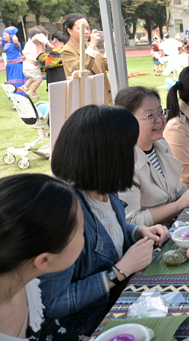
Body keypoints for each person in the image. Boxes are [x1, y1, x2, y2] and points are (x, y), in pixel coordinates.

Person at [39, 105, 171, 336]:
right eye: (130, 147)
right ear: (108, 156)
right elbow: (53, 303)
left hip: (122, 300)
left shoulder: (105, 191)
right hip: (89, 325)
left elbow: (109, 230)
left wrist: (138, 231)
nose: (135, 153)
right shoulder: (64, 215)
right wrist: (118, 271)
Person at [0, 174, 84, 340]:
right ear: (43, 260)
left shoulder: (25, 281)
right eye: (81, 229)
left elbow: (48, 332)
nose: (84, 233)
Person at [114, 87, 189, 226]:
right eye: (150, 116)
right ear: (127, 121)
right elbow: (132, 221)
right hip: (154, 240)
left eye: (161, 112)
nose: (159, 120)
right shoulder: (124, 163)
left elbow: (175, 189)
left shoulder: (161, 144)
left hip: (177, 225)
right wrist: (179, 205)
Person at [61, 13, 112, 105]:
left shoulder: (90, 47)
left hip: (104, 96)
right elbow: (81, 70)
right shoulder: (67, 50)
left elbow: (107, 66)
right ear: (70, 31)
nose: (87, 32)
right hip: (87, 99)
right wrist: (92, 46)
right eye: (82, 28)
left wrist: (109, 48)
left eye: (88, 28)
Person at [21, 26, 52, 100]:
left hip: (26, 65)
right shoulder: (38, 38)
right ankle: (32, 91)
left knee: (33, 76)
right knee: (39, 78)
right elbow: (40, 56)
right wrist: (49, 44)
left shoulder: (30, 42)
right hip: (31, 65)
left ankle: (25, 86)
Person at [2, 27, 26, 98]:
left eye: (5, 35)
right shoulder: (5, 44)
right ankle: (14, 98)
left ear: (10, 35)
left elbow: (16, 42)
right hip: (9, 66)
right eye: (3, 35)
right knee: (10, 83)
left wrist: (13, 35)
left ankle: (19, 97)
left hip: (16, 65)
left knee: (16, 82)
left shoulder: (16, 44)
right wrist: (4, 36)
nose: (4, 36)